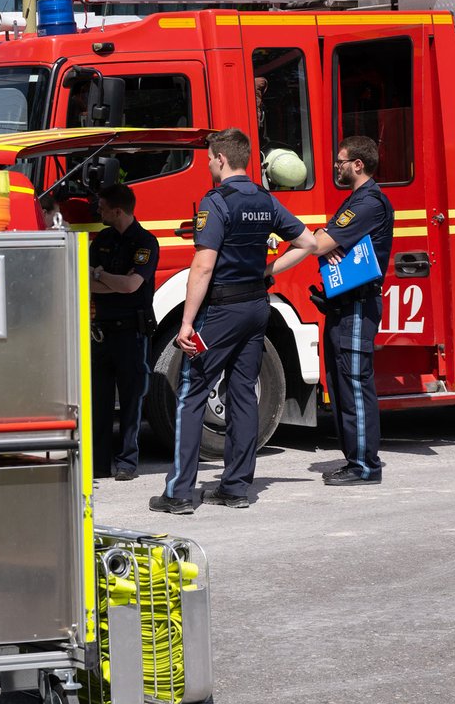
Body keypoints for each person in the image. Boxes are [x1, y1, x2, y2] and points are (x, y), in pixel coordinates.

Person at [151, 128, 308, 514]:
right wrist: (270, 270)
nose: (207, 164)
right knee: (242, 394)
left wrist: (186, 322)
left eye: (208, 159)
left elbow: (202, 267)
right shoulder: (265, 199)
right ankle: (236, 487)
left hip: (220, 312)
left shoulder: (215, 203)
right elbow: (308, 243)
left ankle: (180, 493)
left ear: (220, 159)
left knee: (190, 395)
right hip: (257, 307)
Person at [271, 135, 394, 486]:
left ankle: (366, 466)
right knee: (341, 385)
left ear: (358, 165)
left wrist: (324, 245)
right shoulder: (355, 200)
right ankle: (355, 459)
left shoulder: (369, 203)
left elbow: (320, 242)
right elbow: (323, 243)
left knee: (354, 384)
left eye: (341, 161)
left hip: (357, 306)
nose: (336, 167)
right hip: (344, 305)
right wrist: (324, 245)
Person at [89, 184, 159, 482]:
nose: (98, 212)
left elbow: (132, 286)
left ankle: (127, 462)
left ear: (117, 211)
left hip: (132, 334)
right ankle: (100, 464)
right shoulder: (101, 240)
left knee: (132, 401)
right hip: (101, 333)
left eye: (102, 207)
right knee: (99, 402)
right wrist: (110, 282)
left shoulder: (145, 242)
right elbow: (85, 281)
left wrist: (101, 276)